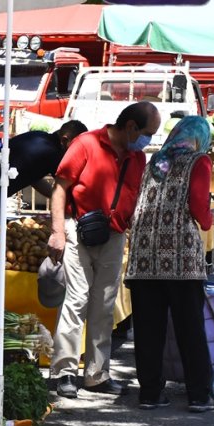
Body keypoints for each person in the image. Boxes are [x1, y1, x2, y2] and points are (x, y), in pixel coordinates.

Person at [47, 100, 161, 398]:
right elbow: (60, 188)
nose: (149, 140)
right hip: (78, 229)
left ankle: (97, 374)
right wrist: (57, 231)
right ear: (131, 126)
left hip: (113, 236)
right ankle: (64, 371)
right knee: (76, 300)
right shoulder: (86, 144)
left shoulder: (137, 159)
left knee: (105, 305)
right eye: (149, 132)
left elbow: (134, 198)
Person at [125, 116, 214, 413]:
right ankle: (199, 395)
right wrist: (211, 218)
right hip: (179, 260)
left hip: (143, 258)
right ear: (199, 138)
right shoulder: (199, 161)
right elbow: (197, 205)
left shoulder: (155, 161)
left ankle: (151, 393)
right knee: (189, 327)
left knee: (147, 328)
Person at [0, 121, 89, 227]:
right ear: (64, 140)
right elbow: (66, 189)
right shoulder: (54, 153)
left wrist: (54, 195)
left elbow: (34, 179)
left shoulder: (38, 136)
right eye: (77, 146)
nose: (78, 151)